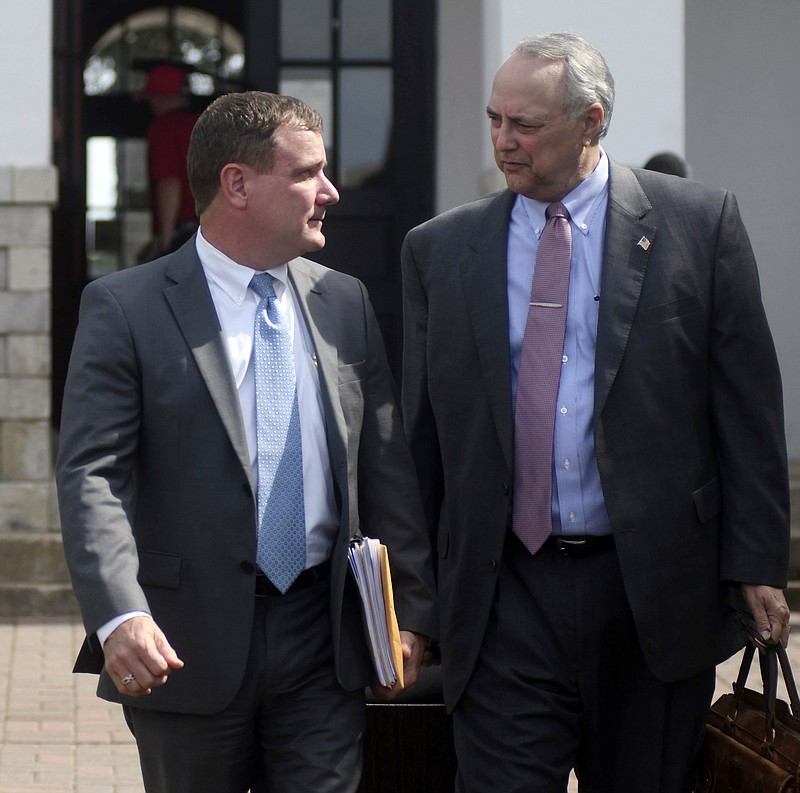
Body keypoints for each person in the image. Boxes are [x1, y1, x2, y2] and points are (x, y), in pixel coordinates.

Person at [401, 32, 790, 793]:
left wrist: (755, 563)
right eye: (494, 120)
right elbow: (420, 441)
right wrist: (415, 600)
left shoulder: (700, 227)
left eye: (526, 125)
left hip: (651, 592)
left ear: (592, 121)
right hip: (503, 590)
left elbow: (748, 409)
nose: (503, 142)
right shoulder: (440, 251)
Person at [57, 90, 437, 793]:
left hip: (324, 638)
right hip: (183, 643)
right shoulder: (126, 307)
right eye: (307, 173)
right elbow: (92, 476)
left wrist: (407, 613)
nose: (330, 191)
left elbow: (385, 468)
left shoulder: (345, 302)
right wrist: (119, 611)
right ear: (236, 183)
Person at [138, 64, 200, 261]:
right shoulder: (206, 123)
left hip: (183, 233)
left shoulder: (163, 128)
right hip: (214, 228)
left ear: (159, 97)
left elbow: (169, 181)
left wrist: (166, 240)